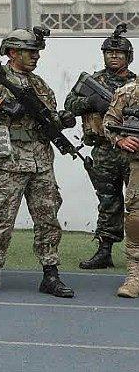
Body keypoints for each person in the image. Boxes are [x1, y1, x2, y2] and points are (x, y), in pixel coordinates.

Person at [0, 27, 74, 298]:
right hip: (9, 162)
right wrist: (0, 105)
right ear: (13, 52)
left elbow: (49, 116)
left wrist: (61, 120)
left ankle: (50, 274)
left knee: (48, 218)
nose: (35, 57)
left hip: (40, 162)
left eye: (37, 52)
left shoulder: (39, 84)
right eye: (30, 52)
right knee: (1, 220)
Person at [65, 25, 135, 270]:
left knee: (136, 202)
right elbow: (70, 104)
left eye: (119, 52)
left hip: (131, 150)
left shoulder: (135, 85)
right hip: (104, 150)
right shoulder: (93, 81)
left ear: (129, 56)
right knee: (107, 201)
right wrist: (90, 102)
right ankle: (105, 250)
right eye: (109, 52)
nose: (114, 56)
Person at [103, 76, 139, 297]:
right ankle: (135, 277)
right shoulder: (129, 91)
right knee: (136, 220)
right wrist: (120, 140)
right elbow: (109, 123)